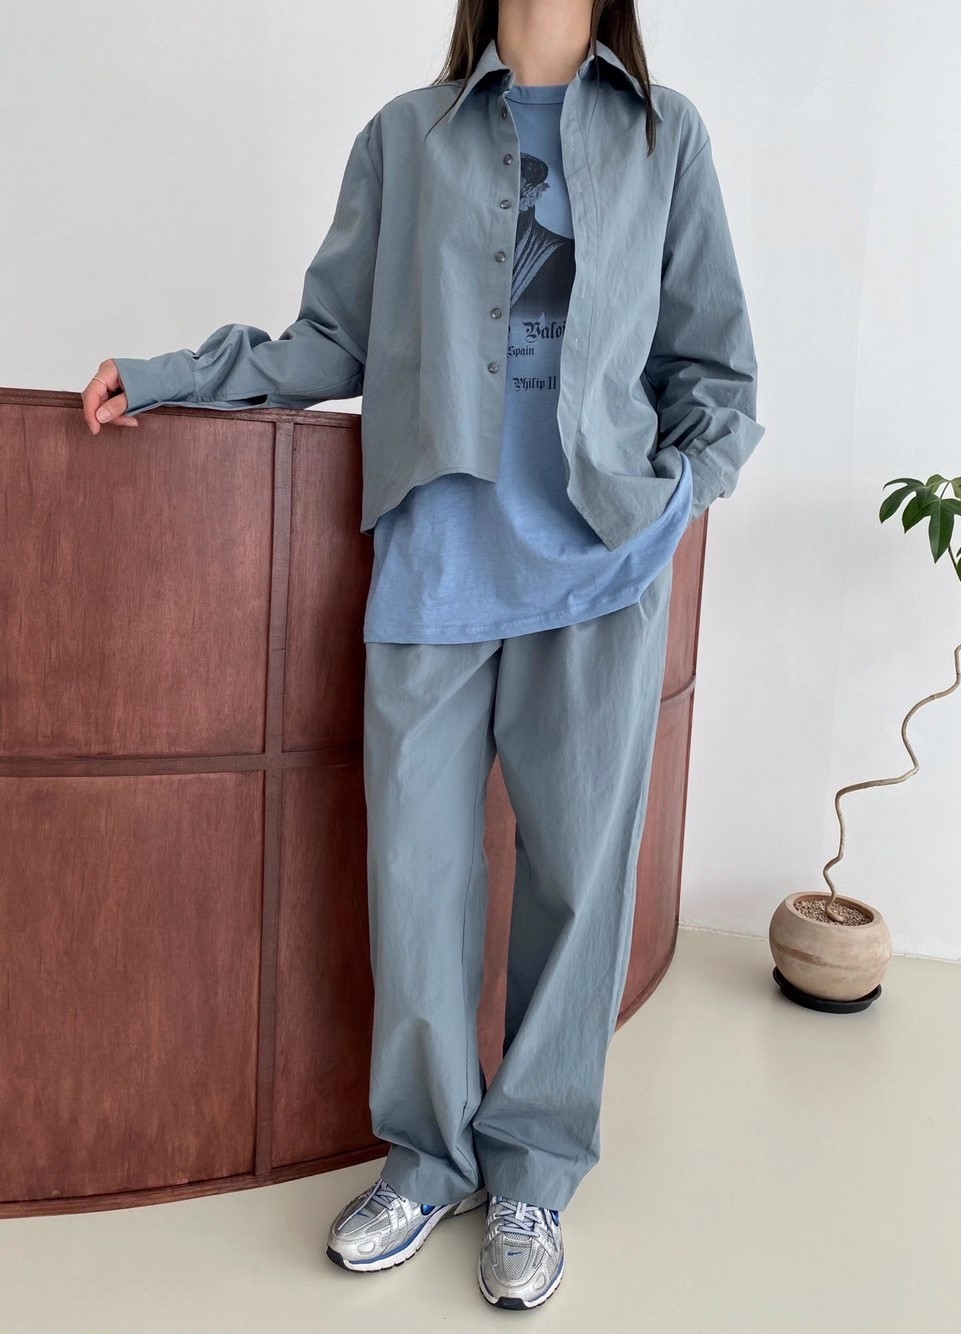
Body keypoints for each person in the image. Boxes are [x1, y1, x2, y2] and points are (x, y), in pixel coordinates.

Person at [81, 0, 764, 1311]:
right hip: (438, 561)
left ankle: (534, 1170)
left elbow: (714, 367)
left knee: (578, 888)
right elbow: (331, 338)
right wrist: (177, 373)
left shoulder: (665, 137)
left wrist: (678, 494)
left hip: (600, 572)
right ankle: (429, 1157)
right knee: (418, 883)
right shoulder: (406, 137)